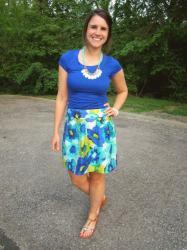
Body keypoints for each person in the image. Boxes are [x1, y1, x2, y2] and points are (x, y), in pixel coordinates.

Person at [51, 9, 128, 239]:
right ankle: (99, 198)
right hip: (75, 126)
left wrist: (115, 108)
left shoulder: (112, 64)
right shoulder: (68, 59)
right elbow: (62, 96)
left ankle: (93, 215)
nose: (98, 32)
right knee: (76, 177)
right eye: (94, 27)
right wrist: (55, 130)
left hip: (101, 127)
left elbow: (123, 91)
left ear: (108, 34)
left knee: (97, 175)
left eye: (103, 28)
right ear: (86, 29)